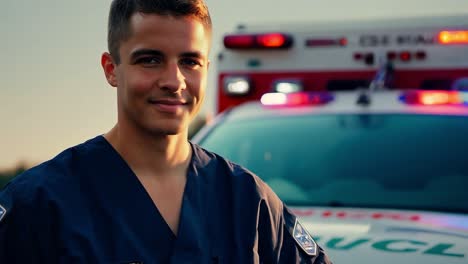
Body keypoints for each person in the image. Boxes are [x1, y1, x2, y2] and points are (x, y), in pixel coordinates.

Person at [0, 0, 332, 263]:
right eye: (150, 60)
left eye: (190, 62)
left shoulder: (249, 203)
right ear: (111, 69)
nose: (174, 82)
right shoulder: (38, 205)